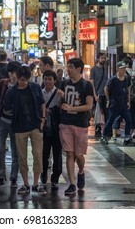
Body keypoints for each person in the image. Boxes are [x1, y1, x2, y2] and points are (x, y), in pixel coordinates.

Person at [4, 65, 46, 195]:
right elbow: (6, 108)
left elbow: (42, 103)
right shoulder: (11, 91)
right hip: (19, 127)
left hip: (35, 125)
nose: (24, 82)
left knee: (38, 155)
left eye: (26, 79)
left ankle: (36, 183)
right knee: (22, 157)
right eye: (22, 79)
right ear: (17, 77)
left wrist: (43, 118)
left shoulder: (35, 87)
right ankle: (26, 184)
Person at [59, 58, 93, 196]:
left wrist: (71, 108)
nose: (68, 69)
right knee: (69, 153)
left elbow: (88, 106)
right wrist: (60, 99)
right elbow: (59, 103)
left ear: (79, 69)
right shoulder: (64, 83)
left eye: (71, 67)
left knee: (79, 155)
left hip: (80, 123)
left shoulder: (86, 85)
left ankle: (81, 171)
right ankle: (72, 184)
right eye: (68, 67)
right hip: (66, 122)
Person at [0, 61, 20, 188]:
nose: (13, 76)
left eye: (14, 73)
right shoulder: (3, 83)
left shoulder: (23, 85)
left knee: (16, 151)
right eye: (10, 73)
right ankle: (1, 175)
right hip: (3, 120)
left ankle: (14, 177)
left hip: (16, 122)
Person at [41, 70, 62, 190]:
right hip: (44, 128)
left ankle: (55, 179)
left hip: (56, 127)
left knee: (57, 153)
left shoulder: (59, 93)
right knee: (44, 153)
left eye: (50, 79)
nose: (47, 81)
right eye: (45, 79)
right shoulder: (40, 93)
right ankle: (43, 176)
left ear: (54, 80)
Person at [101, 61, 132, 145]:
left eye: (125, 68)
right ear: (118, 69)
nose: (124, 70)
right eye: (122, 68)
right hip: (114, 104)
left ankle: (127, 137)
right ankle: (104, 136)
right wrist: (108, 100)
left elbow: (128, 90)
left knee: (129, 120)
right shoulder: (113, 79)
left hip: (124, 105)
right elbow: (105, 89)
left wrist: (128, 101)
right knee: (110, 121)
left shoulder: (126, 79)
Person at [90, 53, 108, 137]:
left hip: (105, 94)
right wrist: (94, 95)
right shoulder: (93, 69)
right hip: (98, 94)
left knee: (106, 112)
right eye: (102, 58)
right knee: (97, 113)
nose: (103, 59)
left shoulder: (105, 69)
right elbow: (92, 83)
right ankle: (97, 129)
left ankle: (107, 130)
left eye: (104, 58)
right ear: (98, 59)